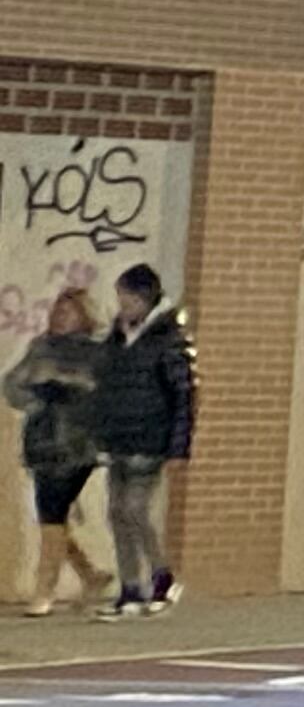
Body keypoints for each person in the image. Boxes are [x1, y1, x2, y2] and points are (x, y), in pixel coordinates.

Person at [83, 265, 193, 619]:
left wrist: (178, 447)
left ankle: (162, 577)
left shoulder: (168, 341)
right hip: (120, 439)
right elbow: (106, 389)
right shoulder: (117, 339)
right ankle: (131, 589)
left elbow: (183, 396)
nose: (122, 306)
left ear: (146, 300)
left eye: (128, 299)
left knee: (135, 509)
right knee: (116, 512)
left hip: (150, 439)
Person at [3, 292, 110, 617]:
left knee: (51, 515)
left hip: (77, 445)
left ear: (83, 316)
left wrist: (72, 391)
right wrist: (36, 396)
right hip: (42, 442)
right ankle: (91, 574)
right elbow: (11, 385)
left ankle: (44, 590)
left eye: (69, 312)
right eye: (58, 312)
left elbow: (104, 394)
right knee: (54, 518)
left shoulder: (95, 352)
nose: (61, 317)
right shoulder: (41, 347)